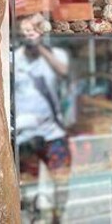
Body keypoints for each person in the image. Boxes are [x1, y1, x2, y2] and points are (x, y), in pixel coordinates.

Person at [14, 14, 72, 181]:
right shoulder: (15, 58)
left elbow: (63, 72)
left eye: (34, 30)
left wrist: (40, 48)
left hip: (52, 132)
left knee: (61, 179)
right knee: (27, 182)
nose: (30, 34)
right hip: (24, 136)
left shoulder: (56, 54)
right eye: (26, 31)